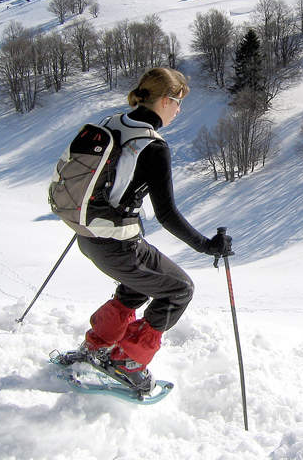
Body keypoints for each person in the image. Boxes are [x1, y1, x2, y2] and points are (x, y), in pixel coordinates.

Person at [76, 67, 232, 392]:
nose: (179, 110)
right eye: (178, 102)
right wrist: (207, 245)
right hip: (118, 245)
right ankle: (128, 362)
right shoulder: (153, 146)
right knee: (179, 290)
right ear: (164, 101)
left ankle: (97, 345)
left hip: (88, 236)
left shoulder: (110, 123)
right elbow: (167, 214)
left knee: (138, 286)